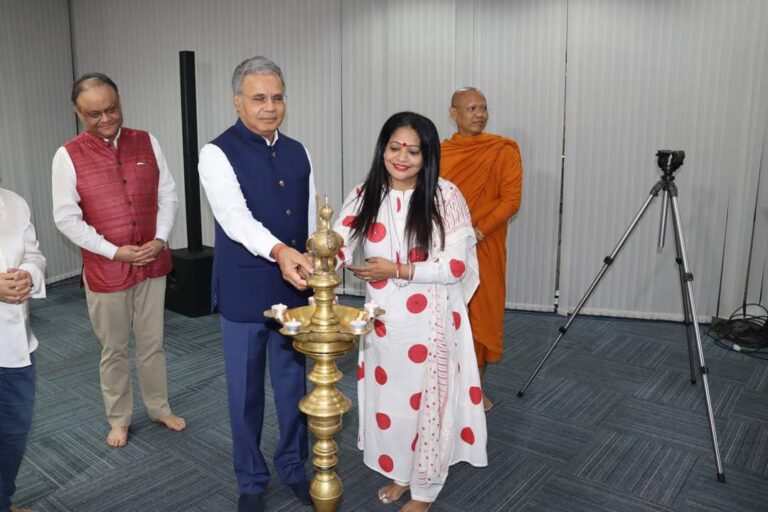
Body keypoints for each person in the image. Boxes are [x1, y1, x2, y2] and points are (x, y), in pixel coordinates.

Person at [334, 112, 487, 512]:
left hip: (432, 322)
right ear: (382, 149)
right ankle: (404, 473)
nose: (402, 157)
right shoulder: (366, 192)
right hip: (385, 324)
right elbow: (337, 242)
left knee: (429, 403)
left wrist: (396, 270)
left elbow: (455, 267)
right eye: (394, 147)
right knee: (394, 404)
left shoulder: (445, 196)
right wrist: (315, 259)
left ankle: (425, 491)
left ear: (427, 155)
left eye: (413, 150)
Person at [198, 56, 316, 512]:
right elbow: (235, 220)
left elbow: (306, 216)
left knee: (293, 389)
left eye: (277, 97)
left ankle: (293, 468)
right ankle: (250, 480)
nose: (270, 107)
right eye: (259, 98)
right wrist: (281, 252)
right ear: (237, 101)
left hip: (292, 291)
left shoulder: (299, 150)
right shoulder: (216, 152)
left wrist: (311, 255)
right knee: (244, 393)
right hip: (246, 292)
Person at [52, 73, 186, 448]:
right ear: (79, 113)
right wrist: (113, 251)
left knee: (152, 343)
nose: (106, 118)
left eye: (111, 109)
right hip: (105, 270)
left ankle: (159, 407)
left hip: (151, 263)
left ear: (120, 100)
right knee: (114, 349)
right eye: (94, 114)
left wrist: (160, 238)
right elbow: (66, 218)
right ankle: (119, 418)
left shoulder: (147, 141)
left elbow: (168, 195)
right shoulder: (67, 155)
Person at [440, 87, 523, 411]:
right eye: (472, 108)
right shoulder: (441, 152)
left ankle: (474, 390)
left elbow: (510, 201)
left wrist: (477, 231)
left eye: (484, 108)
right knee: (446, 316)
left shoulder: (502, 150)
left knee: (479, 317)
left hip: (484, 245)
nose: (479, 114)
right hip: (446, 246)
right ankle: (447, 387)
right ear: (454, 114)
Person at [0, 186, 46, 512]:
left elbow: (33, 254)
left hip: (17, 346)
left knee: (13, 436)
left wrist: (29, 275)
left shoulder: (13, 202)